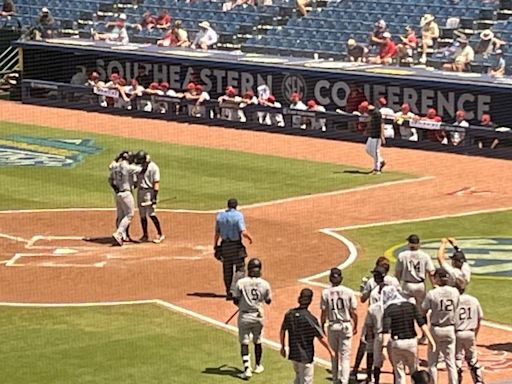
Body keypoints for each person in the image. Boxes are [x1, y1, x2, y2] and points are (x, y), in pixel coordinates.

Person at [382, 285, 436, 384]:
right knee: (414, 372)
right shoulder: (410, 306)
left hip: (397, 343)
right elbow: (421, 324)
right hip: (411, 342)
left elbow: (386, 330)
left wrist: (384, 346)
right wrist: (430, 339)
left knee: (399, 373)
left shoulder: (389, 309)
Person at [280, 288, 333, 384]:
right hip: (306, 356)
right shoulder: (310, 318)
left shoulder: (289, 314)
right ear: (310, 301)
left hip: (294, 354)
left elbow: (282, 331)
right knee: (306, 381)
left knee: (298, 378)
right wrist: (330, 351)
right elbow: (321, 337)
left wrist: (283, 347)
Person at [233, 258, 271, 380]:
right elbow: (268, 300)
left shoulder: (241, 282)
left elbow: (235, 298)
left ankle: (246, 369)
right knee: (258, 340)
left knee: (244, 342)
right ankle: (258, 365)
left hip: (244, 315)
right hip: (258, 316)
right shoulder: (265, 284)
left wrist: (242, 304)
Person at [422, 268, 460, 384]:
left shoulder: (432, 293)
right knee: (451, 362)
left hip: (436, 328)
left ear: (438, 278)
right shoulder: (455, 292)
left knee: (432, 362)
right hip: (450, 328)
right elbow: (456, 306)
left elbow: (423, 310)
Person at [395, 234, 436, 344]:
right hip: (420, 285)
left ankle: (410, 334)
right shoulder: (424, 255)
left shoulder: (402, 255)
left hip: (407, 285)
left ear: (409, 243)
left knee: (407, 310)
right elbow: (431, 272)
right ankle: (424, 336)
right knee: (422, 312)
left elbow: (398, 273)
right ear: (419, 244)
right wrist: (434, 285)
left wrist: (396, 285)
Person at [321, 268, 358, 384]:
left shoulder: (325, 293)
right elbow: (354, 312)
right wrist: (355, 325)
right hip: (346, 325)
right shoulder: (349, 292)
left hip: (332, 325)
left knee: (334, 355)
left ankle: (336, 380)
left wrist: (322, 325)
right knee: (345, 356)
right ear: (341, 278)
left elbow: (323, 312)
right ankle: (344, 381)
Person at [214, 198, 253, 300]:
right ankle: (233, 290)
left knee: (227, 269)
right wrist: (250, 238)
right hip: (235, 246)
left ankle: (228, 292)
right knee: (240, 269)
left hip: (225, 246)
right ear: (236, 206)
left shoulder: (220, 216)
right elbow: (243, 231)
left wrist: (216, 245)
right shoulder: (238, 215)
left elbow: (217, 233)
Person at [454, 278, 484, 384]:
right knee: (472, 358)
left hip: (457, 332)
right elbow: (480, 317)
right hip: (470, 332)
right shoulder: (473, 300)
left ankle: (456, 381)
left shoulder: (454, 300)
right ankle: (479, 381)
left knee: (457, 359)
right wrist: (475, 333)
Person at [109, 151, 141, 246]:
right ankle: (119, 233)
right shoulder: (127, 167)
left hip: (117, 193)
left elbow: (111, 167)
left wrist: (117, 156)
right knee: (129, 215)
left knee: (120, 215)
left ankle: (122, 235)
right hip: (126, 193)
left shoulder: (115, 166)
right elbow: (140, 169)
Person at [133, 151, 164, 244]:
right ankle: (145, 235)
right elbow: (135, 181)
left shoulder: (154, 167)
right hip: (140, 192)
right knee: (142, 215)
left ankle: (160, 234)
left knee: (151, 214)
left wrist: (154, 197)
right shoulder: (138, 167)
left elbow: (156, 183)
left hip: (149, 192)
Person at [365, 104, 385, 174]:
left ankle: (377, 169)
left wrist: (382, 135)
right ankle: (381, 161)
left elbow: (382, 123)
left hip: (377, 135)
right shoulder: (371, 113)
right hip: (371, 134)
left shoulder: (377, 113)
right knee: (368, 149)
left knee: (376, 152)